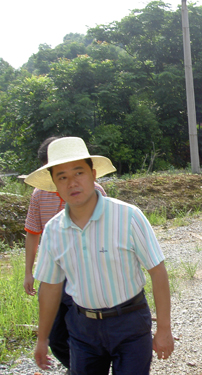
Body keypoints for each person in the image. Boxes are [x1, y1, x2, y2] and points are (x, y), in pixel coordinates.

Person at [25, 137, 174, 374]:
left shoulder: (128, 216)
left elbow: (157, 271)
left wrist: (164, 328)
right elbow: (51, 287)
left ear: (93, 175)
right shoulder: (54, 230)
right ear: (54, 184)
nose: (72, 183)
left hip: (130, 323)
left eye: (78, 173)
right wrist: (42, 339)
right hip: (82, 328)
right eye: (62, 177)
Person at [23, 136, 107, 371]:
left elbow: (106, 230)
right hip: (53, 274)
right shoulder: (39, 195)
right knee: (55, 333)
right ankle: (78, 366)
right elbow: (32, 233)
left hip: (85, 273)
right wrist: (28, 272)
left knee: (85, 328)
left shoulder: (95, 190)